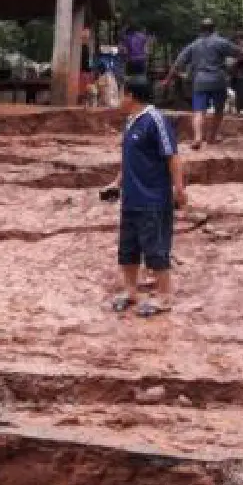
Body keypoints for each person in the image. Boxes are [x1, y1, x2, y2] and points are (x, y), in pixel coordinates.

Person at [100, 74, 187, 317]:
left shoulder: (155, 120)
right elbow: (130, 159)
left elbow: (173, 157)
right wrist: (116, 183)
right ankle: (130, 291)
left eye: (121, 94)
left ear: (131, 95)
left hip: (153, 199)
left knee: (155, 248)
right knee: (128, 249)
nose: (118, 100)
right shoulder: (131, 122)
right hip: (131, 199)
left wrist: (179, 190)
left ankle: (165, 296)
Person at [163, 18, 241, 151]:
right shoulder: (221, 42)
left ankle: (198, 138)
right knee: (218, 110)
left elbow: (178, 64)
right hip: (218, 80)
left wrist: (167, 80)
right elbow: (240, 53)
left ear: (201, 30)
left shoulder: (193, 45)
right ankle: (212, 137)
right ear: (214, 29)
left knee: (199, 111)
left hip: (200, 81)